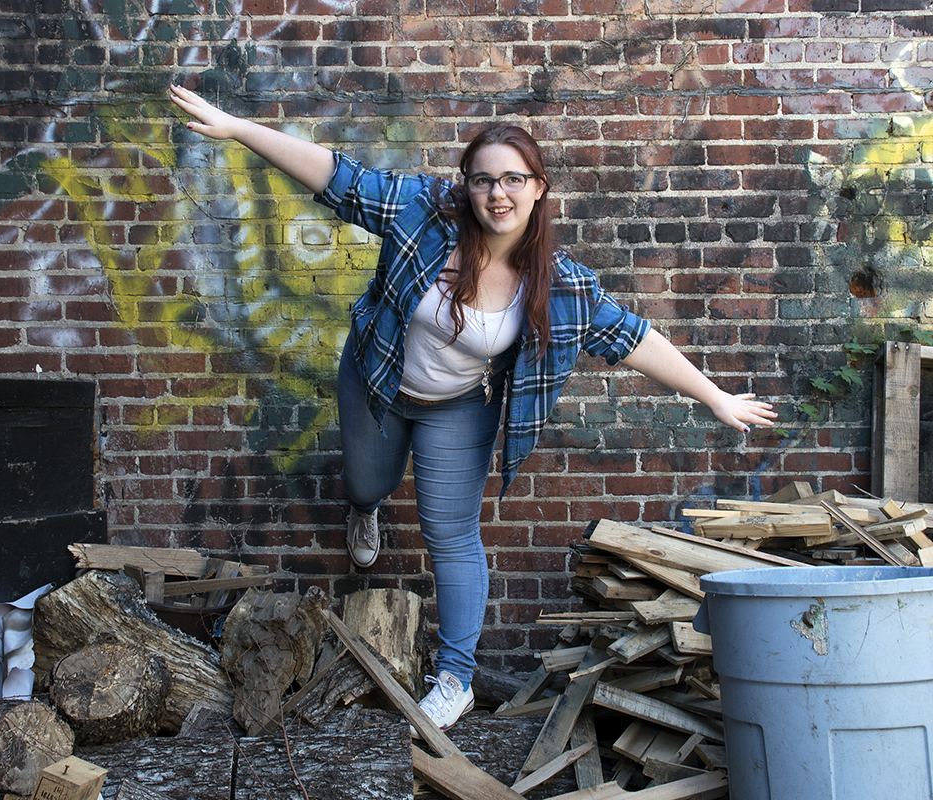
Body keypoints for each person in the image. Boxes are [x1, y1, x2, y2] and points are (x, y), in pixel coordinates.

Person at [169, 83, 778, 733]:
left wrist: (714, 395)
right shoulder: (423, 213)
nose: (498, 193)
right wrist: (238, 129)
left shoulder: (560, 284)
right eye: (483, 179)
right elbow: (336, 176)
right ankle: (365, 507)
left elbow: (632, 338)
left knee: (452, 534)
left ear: (538, 188)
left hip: (458, 406)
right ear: (466, 185)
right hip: (377, 381)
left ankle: (455, 678)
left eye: (514, 179)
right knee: (367, 481)